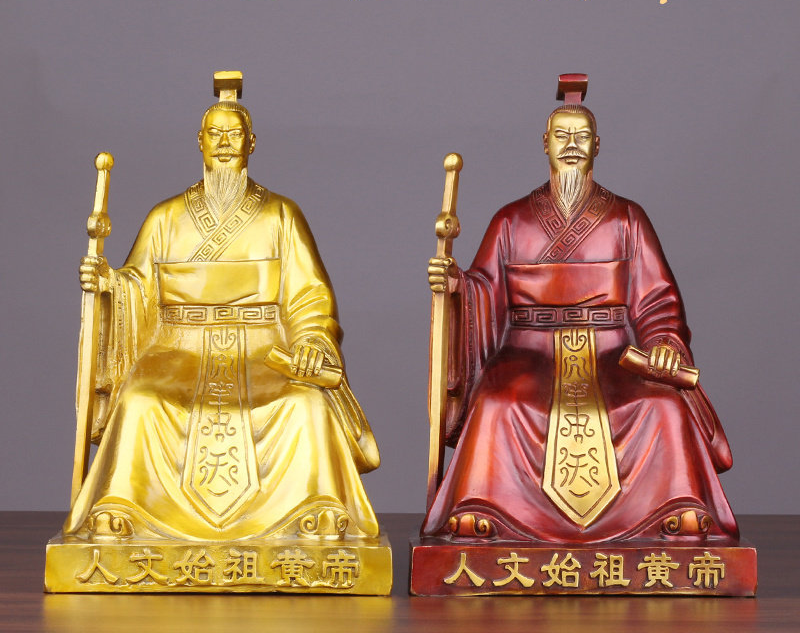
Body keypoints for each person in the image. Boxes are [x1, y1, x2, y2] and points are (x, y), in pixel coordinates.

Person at [423, 81, 738, 544]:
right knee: (496, 403)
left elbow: (657, 299)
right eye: (561, 136)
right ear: (545, 144)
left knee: (662, 406)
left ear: (597, 145)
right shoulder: (510, 220)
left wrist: (663, 343)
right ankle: (483, 509)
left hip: (613, 352)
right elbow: (484, 289)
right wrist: (455, 286)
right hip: (528, 350)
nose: (571, 145)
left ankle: (674, 509)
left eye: (582, 136)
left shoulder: (627, 218)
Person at [65, 80, 380, 542]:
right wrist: (109, 284)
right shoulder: (165, 217)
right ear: (200, 142)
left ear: (252, 143)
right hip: (177, 348)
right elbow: (139, 288)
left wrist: (312, 340)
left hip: (263, 349)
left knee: (306, 404)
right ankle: (122, 509)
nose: (225, 143)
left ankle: (315, 511)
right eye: (215, 134)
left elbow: (309, 296)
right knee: (140, 401)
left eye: (235, 134)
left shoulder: (281, 215)